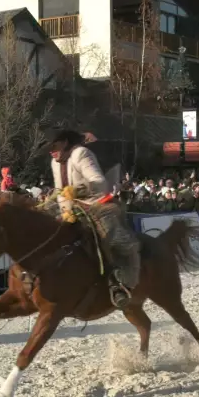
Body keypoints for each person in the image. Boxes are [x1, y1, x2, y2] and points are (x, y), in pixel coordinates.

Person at [40, 127, 140, 309]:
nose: (51, 151)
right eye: (49, 148)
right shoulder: (55, 162)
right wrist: (49, 206)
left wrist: (77, 190)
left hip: (96, 205)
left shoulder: (81, 153)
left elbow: (99, 183)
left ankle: (118, 284)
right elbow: (59, 190)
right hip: (70, 210)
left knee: (108, 240)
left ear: (64, 142)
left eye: (54, 146)